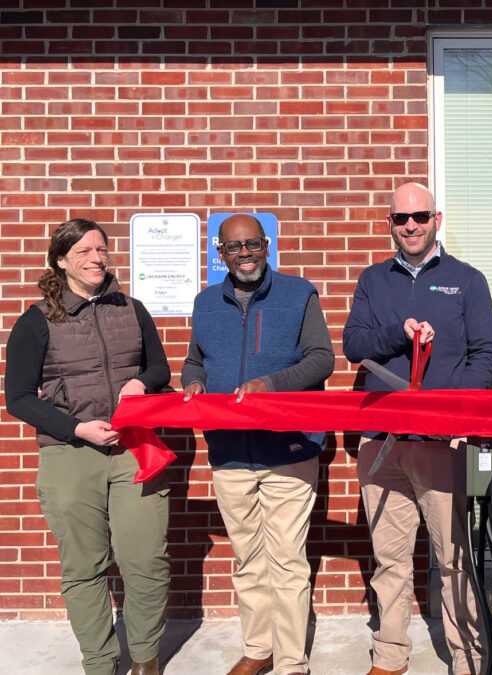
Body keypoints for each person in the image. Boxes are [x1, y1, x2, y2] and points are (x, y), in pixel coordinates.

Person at [4, 218, 171, 675]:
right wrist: (76, 429)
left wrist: (141, 381)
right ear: (61, 261)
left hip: (134, 449)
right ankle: (99, 663)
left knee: (147, 562)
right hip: (70, 455)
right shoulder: (37, 321)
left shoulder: (132, 309)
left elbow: (160, 368)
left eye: (101, 249)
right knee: (84, 567)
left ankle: (145, 659)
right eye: (83, 252)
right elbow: (17, 397)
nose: (97, 258)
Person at [342, 182, 492, 675]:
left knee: (454, 560)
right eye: (401, 218)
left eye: (420, 216)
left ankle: (467, 656)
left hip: (442, 444)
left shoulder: (466, 280)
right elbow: (353, 343)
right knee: (390, 560)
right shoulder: (372, 279)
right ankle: (390, 655)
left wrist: (453, 416)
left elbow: (485, 355)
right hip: (383, 443)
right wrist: (398, 331)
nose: (410, 225)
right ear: (389, 223)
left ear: (437, 219)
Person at [181, 214, 335, 675]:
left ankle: (291, 663)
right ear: (220, 254)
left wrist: (271, 383)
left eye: (253, 245)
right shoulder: (206, 302)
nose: (245, 254)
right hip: (229, 451)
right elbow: (194, 361)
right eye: (234, 247)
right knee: (247, 557)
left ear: (266, 247)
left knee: (287, 561)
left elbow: (322, 359)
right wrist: (193, 383)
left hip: (288, 449)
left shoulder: (298, 293)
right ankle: (257, 649)